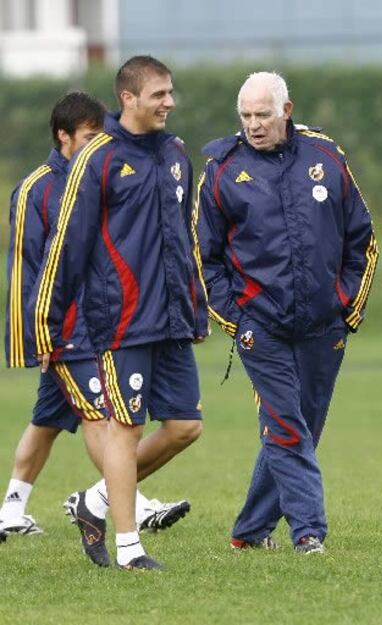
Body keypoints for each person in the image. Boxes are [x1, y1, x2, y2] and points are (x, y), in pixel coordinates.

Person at [29, 56, 208, 572]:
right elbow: (67, 246)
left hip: (172, 321)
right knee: (123, 428)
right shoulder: (98, 159)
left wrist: (193, 308)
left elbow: (184, 237)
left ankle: (97, 501)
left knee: (184, 427)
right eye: (159, 94)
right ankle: (130, 548)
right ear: (128, 99)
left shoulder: (175, 153)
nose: (169, 102)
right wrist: (46, 321)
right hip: (121, 320)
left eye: (171, 92)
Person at [198, 71, 379, 554]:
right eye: (246, 116)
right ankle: (308, 532)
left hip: (325, 324)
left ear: (287, 110)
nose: (253, 125)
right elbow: (205, 257)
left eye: (263, 114)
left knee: (302, 427)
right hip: (263, 327)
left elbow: (362, 238)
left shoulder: (325, 155)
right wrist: (238, 322)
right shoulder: (221, 169)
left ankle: (250, 532)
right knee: (284, 425)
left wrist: (347, 309)